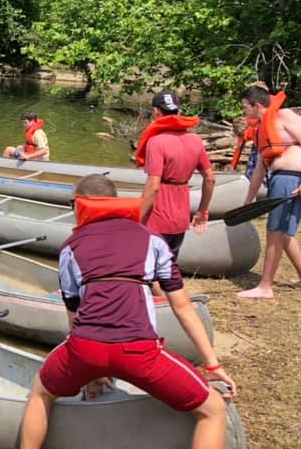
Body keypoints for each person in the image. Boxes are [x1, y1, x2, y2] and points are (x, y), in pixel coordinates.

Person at [18, 175, 237, 449]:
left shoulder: (70, 248)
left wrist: (91, 371)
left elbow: (75, 317)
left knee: (40, 392)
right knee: (212, 409)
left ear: (79, 205)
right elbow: (182, 306)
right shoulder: (152, 240)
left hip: (85, 349)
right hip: (139, 352)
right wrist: (212, 365)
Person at [236, 85, 301, 299]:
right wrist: (249, 198)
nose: (244, 111)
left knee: (275, 231)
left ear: (256, 105)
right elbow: (260, 168)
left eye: (245, 107)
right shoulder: (262, 128)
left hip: (292, 178)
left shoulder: (284, 116)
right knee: (285, 233)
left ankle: (265, 287)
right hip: (279, 178)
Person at [136, 91, 214, 270]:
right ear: (178, 112)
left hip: (157, 216)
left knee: (148, 269)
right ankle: (169, 297)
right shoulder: (195, 140)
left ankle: (158, 297)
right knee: (169, 268)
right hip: (180, 217)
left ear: (156, 112)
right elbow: (210, 178)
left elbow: (154, 186)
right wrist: (203, 212)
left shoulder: (156, 142)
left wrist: (137, 219)